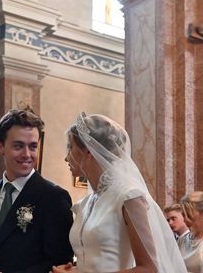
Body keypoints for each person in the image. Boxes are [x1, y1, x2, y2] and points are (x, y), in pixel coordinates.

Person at [52, 112, 186, 273]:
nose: (66, 158)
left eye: (70, 147)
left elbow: (149, 268)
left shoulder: (128, 196)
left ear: (88, 151)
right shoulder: (85, 204)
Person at [0, 108, 73, 273]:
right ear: (0, 146)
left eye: (33, 147)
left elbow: (60, 262)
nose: (27, 154)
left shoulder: (53, 197)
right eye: (18, 146)